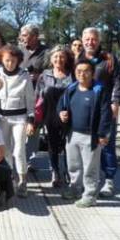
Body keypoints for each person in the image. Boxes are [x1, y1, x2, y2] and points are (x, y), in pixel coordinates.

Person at [58, 59, 112, 208]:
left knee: (90, 168)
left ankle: (90, 195)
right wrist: (61, 113)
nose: (82, 74)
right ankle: (75, 189)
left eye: (86, 71)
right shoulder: (71, 88)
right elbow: (61, 106)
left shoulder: (99, 90)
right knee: (73, 166)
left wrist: (102, 134)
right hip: (72, 134)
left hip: (91, 136)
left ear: (93, 73)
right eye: (79, 71)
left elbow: (106, 114)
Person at [80, 27, 120, 197]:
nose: (90, 42)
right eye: (87, 39)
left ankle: (109, 180)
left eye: (93, 39)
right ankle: (89, 180)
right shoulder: (79, 58)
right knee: (87, 146)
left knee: (106, 145)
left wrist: (116, 102)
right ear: (82, 40)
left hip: (105, 110)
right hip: (85, 109)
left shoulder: (108, 59)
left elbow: (119, 82)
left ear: (98, 41)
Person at [0, 44, 35, 197]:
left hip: (19, 118)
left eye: (13, 60)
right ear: (2, 60)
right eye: (7, 60)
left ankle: (23, 181)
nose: (10, 63)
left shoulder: (24, 75)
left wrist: (30, 120)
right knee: (6, 150)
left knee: (19, 150)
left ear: (18, 60)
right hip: (3, 117)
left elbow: (30, 99)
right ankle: (10, 177)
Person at [35, 45, 74, 187]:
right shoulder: (44, 75)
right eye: (56, 56)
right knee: (52, 144)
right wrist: (34, 117)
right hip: (50, 114)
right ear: (51, 59)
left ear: (66, 58)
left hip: (68, 113)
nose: (59, 59)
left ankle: (69, 171)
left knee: (67, 144)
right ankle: (55, 171)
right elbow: (38, 95)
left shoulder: (72, 74)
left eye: (62, 56)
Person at [19, 24, 48, 171]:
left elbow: (51, 70)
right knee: (19, 126)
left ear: (35, 36)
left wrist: (38, 75)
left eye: (25, 35)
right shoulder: (20, 50)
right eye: (22, 35)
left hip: (37, 94)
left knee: (33, 127)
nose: (22, 38)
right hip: (20, 93)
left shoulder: (45, 52)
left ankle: (29, 159)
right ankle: (19, 156)